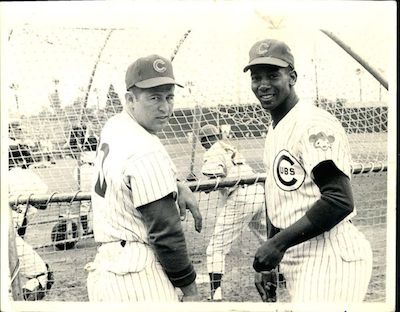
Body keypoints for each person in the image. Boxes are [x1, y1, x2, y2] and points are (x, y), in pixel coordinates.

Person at [244, 38, 373, 302]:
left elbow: (339, 200)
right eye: (257, 77)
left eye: (273, 75)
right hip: (300, 252)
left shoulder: (312, 123)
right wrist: (272, 256)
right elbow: (280, 200)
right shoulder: (276, 126)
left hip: (330, 255)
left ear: (292, 77)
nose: (263, 85)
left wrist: (277, 244)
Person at [86, 54, 203, 302]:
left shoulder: (114, 125)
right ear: (130, 99)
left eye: (169, 97)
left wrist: (176, 184)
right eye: (154, 98)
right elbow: (166, 233)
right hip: (139, 277)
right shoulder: (144, 148)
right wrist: (190, 290)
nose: (165, 107)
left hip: (107, 270)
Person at [199, 124, 267, 301]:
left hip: (240, 198)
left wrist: (199, 184)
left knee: (216, 247)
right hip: (258, 193)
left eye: (202, 141)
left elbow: (213, 179)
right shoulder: (228, 146)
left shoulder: (212, 151)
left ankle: (216, 295)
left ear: (204, 140)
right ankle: (281, 276)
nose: (203, 144)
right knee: (267, 237)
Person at [8, 149, 55, 300]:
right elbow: (44, 203)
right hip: (7, 236)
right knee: (43, 275)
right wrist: (27, 199)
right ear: (21, 161)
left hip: (12, 234)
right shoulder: (22, 173)